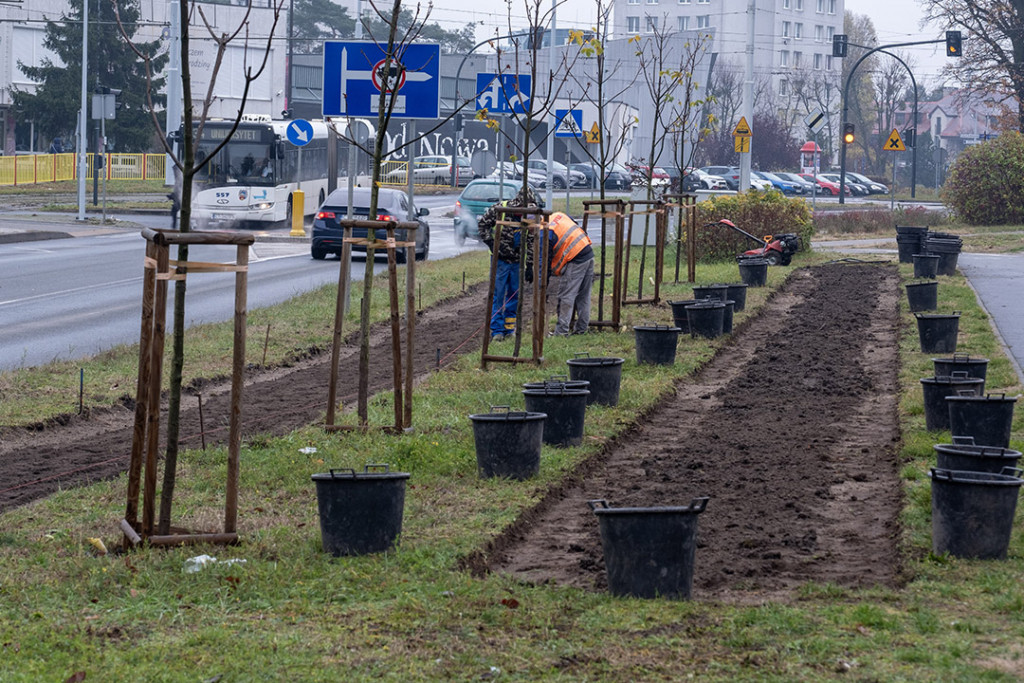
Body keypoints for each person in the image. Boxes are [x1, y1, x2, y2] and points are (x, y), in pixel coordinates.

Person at [476, 184, 539, 342]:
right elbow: (482, 225)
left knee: (514, 295)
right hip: (500, 261)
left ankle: (509, 329)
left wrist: (530, 265)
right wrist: (491, 243)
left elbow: (531, 240)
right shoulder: (500, 210)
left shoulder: (530, 214)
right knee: (497, 295)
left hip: (517, 261)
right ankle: (496, 331)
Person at [545, 211, 594, 337]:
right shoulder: (558, 215)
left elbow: (543, 258)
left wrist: (543, 278)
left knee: (566, 296)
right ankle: (582, 328)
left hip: (575, 259)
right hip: (587, 252)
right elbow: (575, 225)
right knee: (584, 295)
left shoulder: (544, 231)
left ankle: (561, 332)